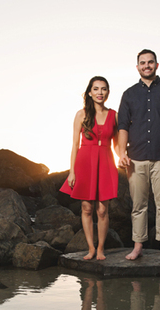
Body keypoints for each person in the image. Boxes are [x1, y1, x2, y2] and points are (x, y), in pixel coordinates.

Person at [118, 49, 160, 262]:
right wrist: (121, 152)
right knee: (138, 205)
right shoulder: (129, 95)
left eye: (150, 62)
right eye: (142, 63)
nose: (146, 66)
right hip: (136, 158)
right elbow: (122, 126)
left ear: (156, 65)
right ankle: (137, 246)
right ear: (137, 67)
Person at [60, 76, 119, 260]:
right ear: (90, 92)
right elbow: (74, 145)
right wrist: (72, 171)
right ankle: (91, 248)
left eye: (103, 89)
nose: (100, 92)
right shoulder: (81, 114)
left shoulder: (114, 115)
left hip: (106, 161)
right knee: (86, 208)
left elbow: (116, 145)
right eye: (96, 89)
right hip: (84, 163)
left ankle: (101, 248)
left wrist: (125, 156)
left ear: (108, 92)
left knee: (102, 210)